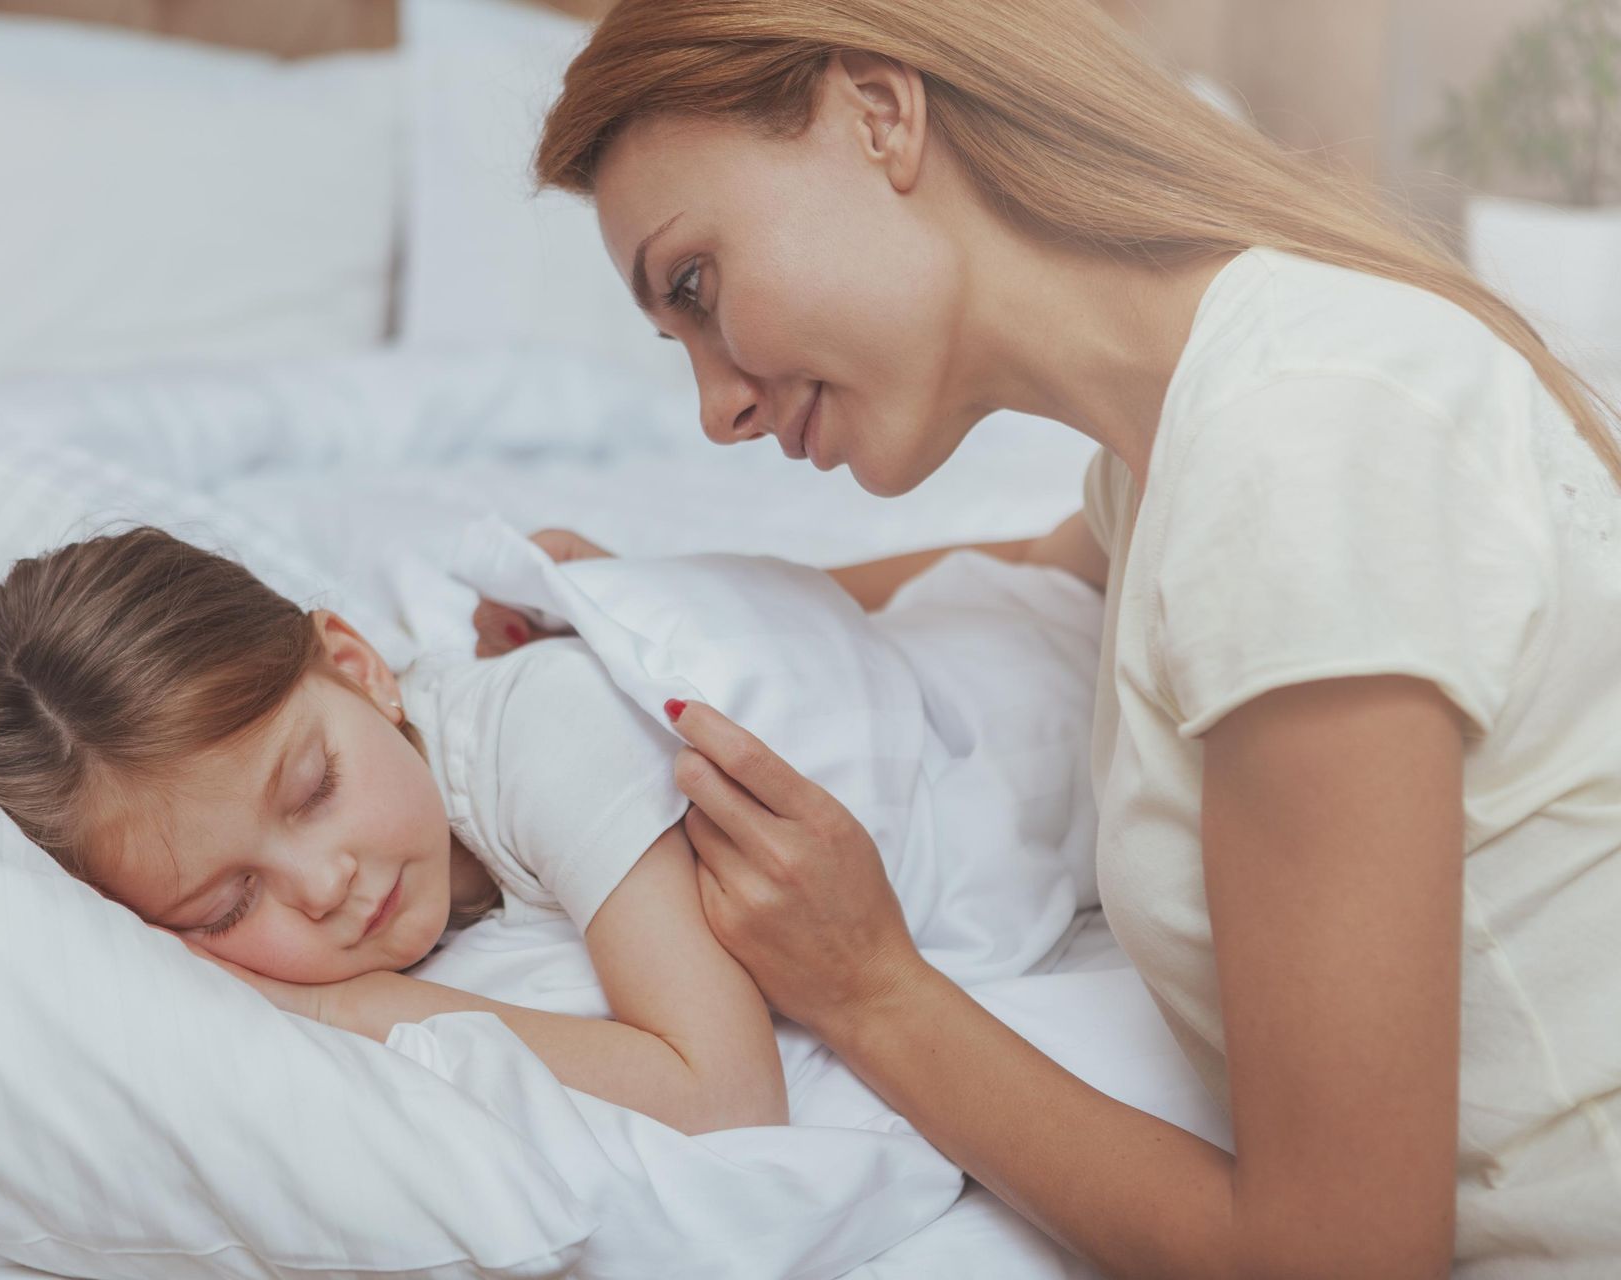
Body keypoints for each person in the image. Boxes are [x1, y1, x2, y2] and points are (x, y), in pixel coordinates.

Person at [469, 0, 1621, 1275]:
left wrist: (871, 989)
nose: (715, 410)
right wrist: (644, 597)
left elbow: (1339, 1256)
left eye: (697, 286)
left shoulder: (1295, 450)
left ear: (880, 113)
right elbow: (1039, 564)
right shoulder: (1203, 427)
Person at [0, 524, 787, 1137]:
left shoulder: (544, 731)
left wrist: (351, 1009)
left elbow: (729, 1097)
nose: (323, 885)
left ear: (358, 669)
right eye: (229, 904)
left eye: (314, 791)